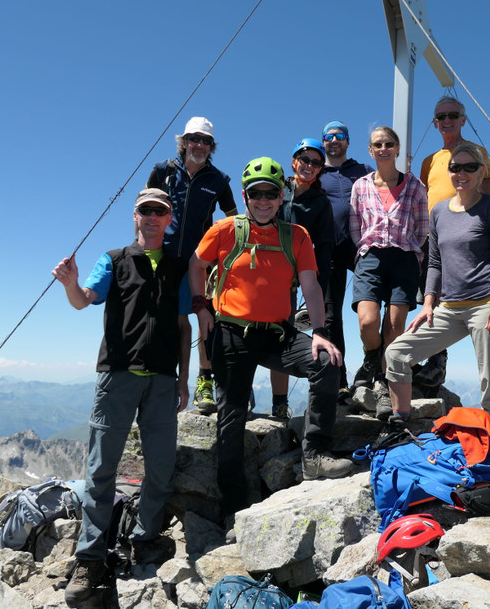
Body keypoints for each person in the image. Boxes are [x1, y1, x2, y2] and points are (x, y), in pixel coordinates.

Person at [189, 157, 353, 523]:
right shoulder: (225, 230)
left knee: (326, 362)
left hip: (278, 334)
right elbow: (196, 265)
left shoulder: (297, 236)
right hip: (232, 334)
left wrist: (320, 333)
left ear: (282, 197)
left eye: (271, 194)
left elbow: (311, 285)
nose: (263, 201)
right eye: (256, 194)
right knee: (231, 416)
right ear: (244, 196)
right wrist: (201, 307)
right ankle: (232, 506)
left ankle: (314, 455)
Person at [51, 188, 184, 603]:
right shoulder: (113, 260)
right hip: (118, 375)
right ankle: (90, 559)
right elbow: (84, 301)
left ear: (169, 218)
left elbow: (183, 325)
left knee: (160, 466)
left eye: (160, 211)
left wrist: (183, 379)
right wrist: (70, 284)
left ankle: (144, 540)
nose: (152, 217)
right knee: (101, 470)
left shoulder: (178, 266)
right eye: (146, 210)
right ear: (135, 216)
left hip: (162, 379)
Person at [384, 143, 490, 426]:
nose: (461, 173)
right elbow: (434, 262)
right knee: (397, 353)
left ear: (481, 172)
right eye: (455, 168)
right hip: (449, 308)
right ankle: (400, 426)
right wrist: (428, 304)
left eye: (469, 167)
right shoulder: (439, 212)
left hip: (486, 305)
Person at [146, 116, 237, 416]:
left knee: (203, 319)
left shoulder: (219, 180)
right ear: (184, 142)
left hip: (199, 262)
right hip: (163, 258)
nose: (199, 145)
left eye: (205, 141)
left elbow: (234, 220)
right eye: (194, 139)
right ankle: (162, 379)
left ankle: (204, 381)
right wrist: (141, 250)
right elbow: (144, 208)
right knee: (165, 320)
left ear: (212, 146)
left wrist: (224, 256)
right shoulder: (163, 171)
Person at [414, 97, 490, 386]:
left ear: (463, 119)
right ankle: (435, 361)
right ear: (434, 123)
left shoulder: (478, 152)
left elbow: (486, 196)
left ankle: (444, 364)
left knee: (461, 300)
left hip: (465, 236)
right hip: (431, 237)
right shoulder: (429, 161)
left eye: (452, 115)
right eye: (440, 117)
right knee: (432, 297)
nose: (446, 120)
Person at [349, 126, 428, 419]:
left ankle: (382, 380)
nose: (383, 149)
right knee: (368, 322)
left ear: (397, 148)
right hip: (370, 256)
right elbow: (355, 227)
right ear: (370, 151)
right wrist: (367, 250)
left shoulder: (415, 187)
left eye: (388, 144)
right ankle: (372, 358)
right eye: (377, 144)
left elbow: (422, 229)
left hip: (404, 257)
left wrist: (405, 249)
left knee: (395, 324)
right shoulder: (360, 186)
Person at [266, 138, 337, 420]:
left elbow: (325, 248)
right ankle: (240, 393)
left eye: (316, 163)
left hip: (291, 280)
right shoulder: (275, 189)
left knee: (281, 337)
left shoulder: (320, 202)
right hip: (262, 271)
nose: (309, 166)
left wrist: (317, 291)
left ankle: (279, 404)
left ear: (321, 169)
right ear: (294, 161)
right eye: (304, 159)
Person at [317, 120, 373, 390]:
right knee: (331, 316)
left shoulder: (364, 171)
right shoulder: (317, 172)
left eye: (340, 135)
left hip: (361, 246)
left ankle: (376, 368)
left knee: (376, 304)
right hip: (329, 249)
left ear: (348, 141)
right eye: (329, 137)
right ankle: (338, 381)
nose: (334, 140)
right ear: (323, 142)